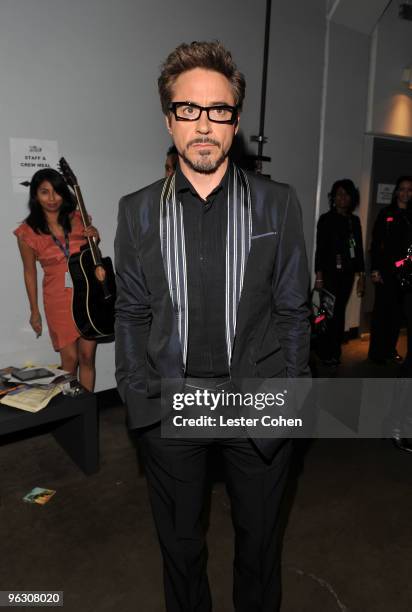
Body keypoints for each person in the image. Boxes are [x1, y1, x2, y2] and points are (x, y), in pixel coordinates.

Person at [114, 41, 310, 612]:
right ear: (168, 118)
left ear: (236, 120)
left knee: (259, 546)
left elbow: (294, 311)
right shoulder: (138, 210)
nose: (204, 126)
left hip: (259, 401)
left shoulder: (277, 204)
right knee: (179, 549)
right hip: (171, 403)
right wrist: (136, 395)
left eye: (218, 110)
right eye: (189, 110)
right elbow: (130, 311)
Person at [14, 168, 100, 391]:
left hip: (87, 294)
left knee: (87, 356)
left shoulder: (79, 219)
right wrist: (34, 311)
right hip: (57, 298)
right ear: (35, 195)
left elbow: (92, 258)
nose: (52, 199)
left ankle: (86, 412)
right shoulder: (27, 232)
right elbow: (29, 272)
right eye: (44, 192)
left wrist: (95, 239)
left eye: (57, 192)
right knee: (69, 360)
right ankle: (71, 415)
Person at [314, 179, 365, 366]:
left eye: (346, 194)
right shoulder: (326, 219)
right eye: (338, 194)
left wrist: (362, 275)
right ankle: (322, 349)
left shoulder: (354, 220)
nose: (342, 198)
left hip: (347, 275)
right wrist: (318, 275)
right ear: (333, 197)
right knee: (326, 313)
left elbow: (357, 249)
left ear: (352, 198)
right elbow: (320, 249)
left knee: (339, 313)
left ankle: (334, 350)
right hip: (329, 274)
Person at [368, 176, 412, 365]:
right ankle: (377, 353)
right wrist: (375, 269)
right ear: (396, 192)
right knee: (382, 314)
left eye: (410, 190)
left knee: (397, 316)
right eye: (402, 189)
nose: (405, 193)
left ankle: (390, 350)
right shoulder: (386, 213)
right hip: (386, 272)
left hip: (407, 273)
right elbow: (376, 244)